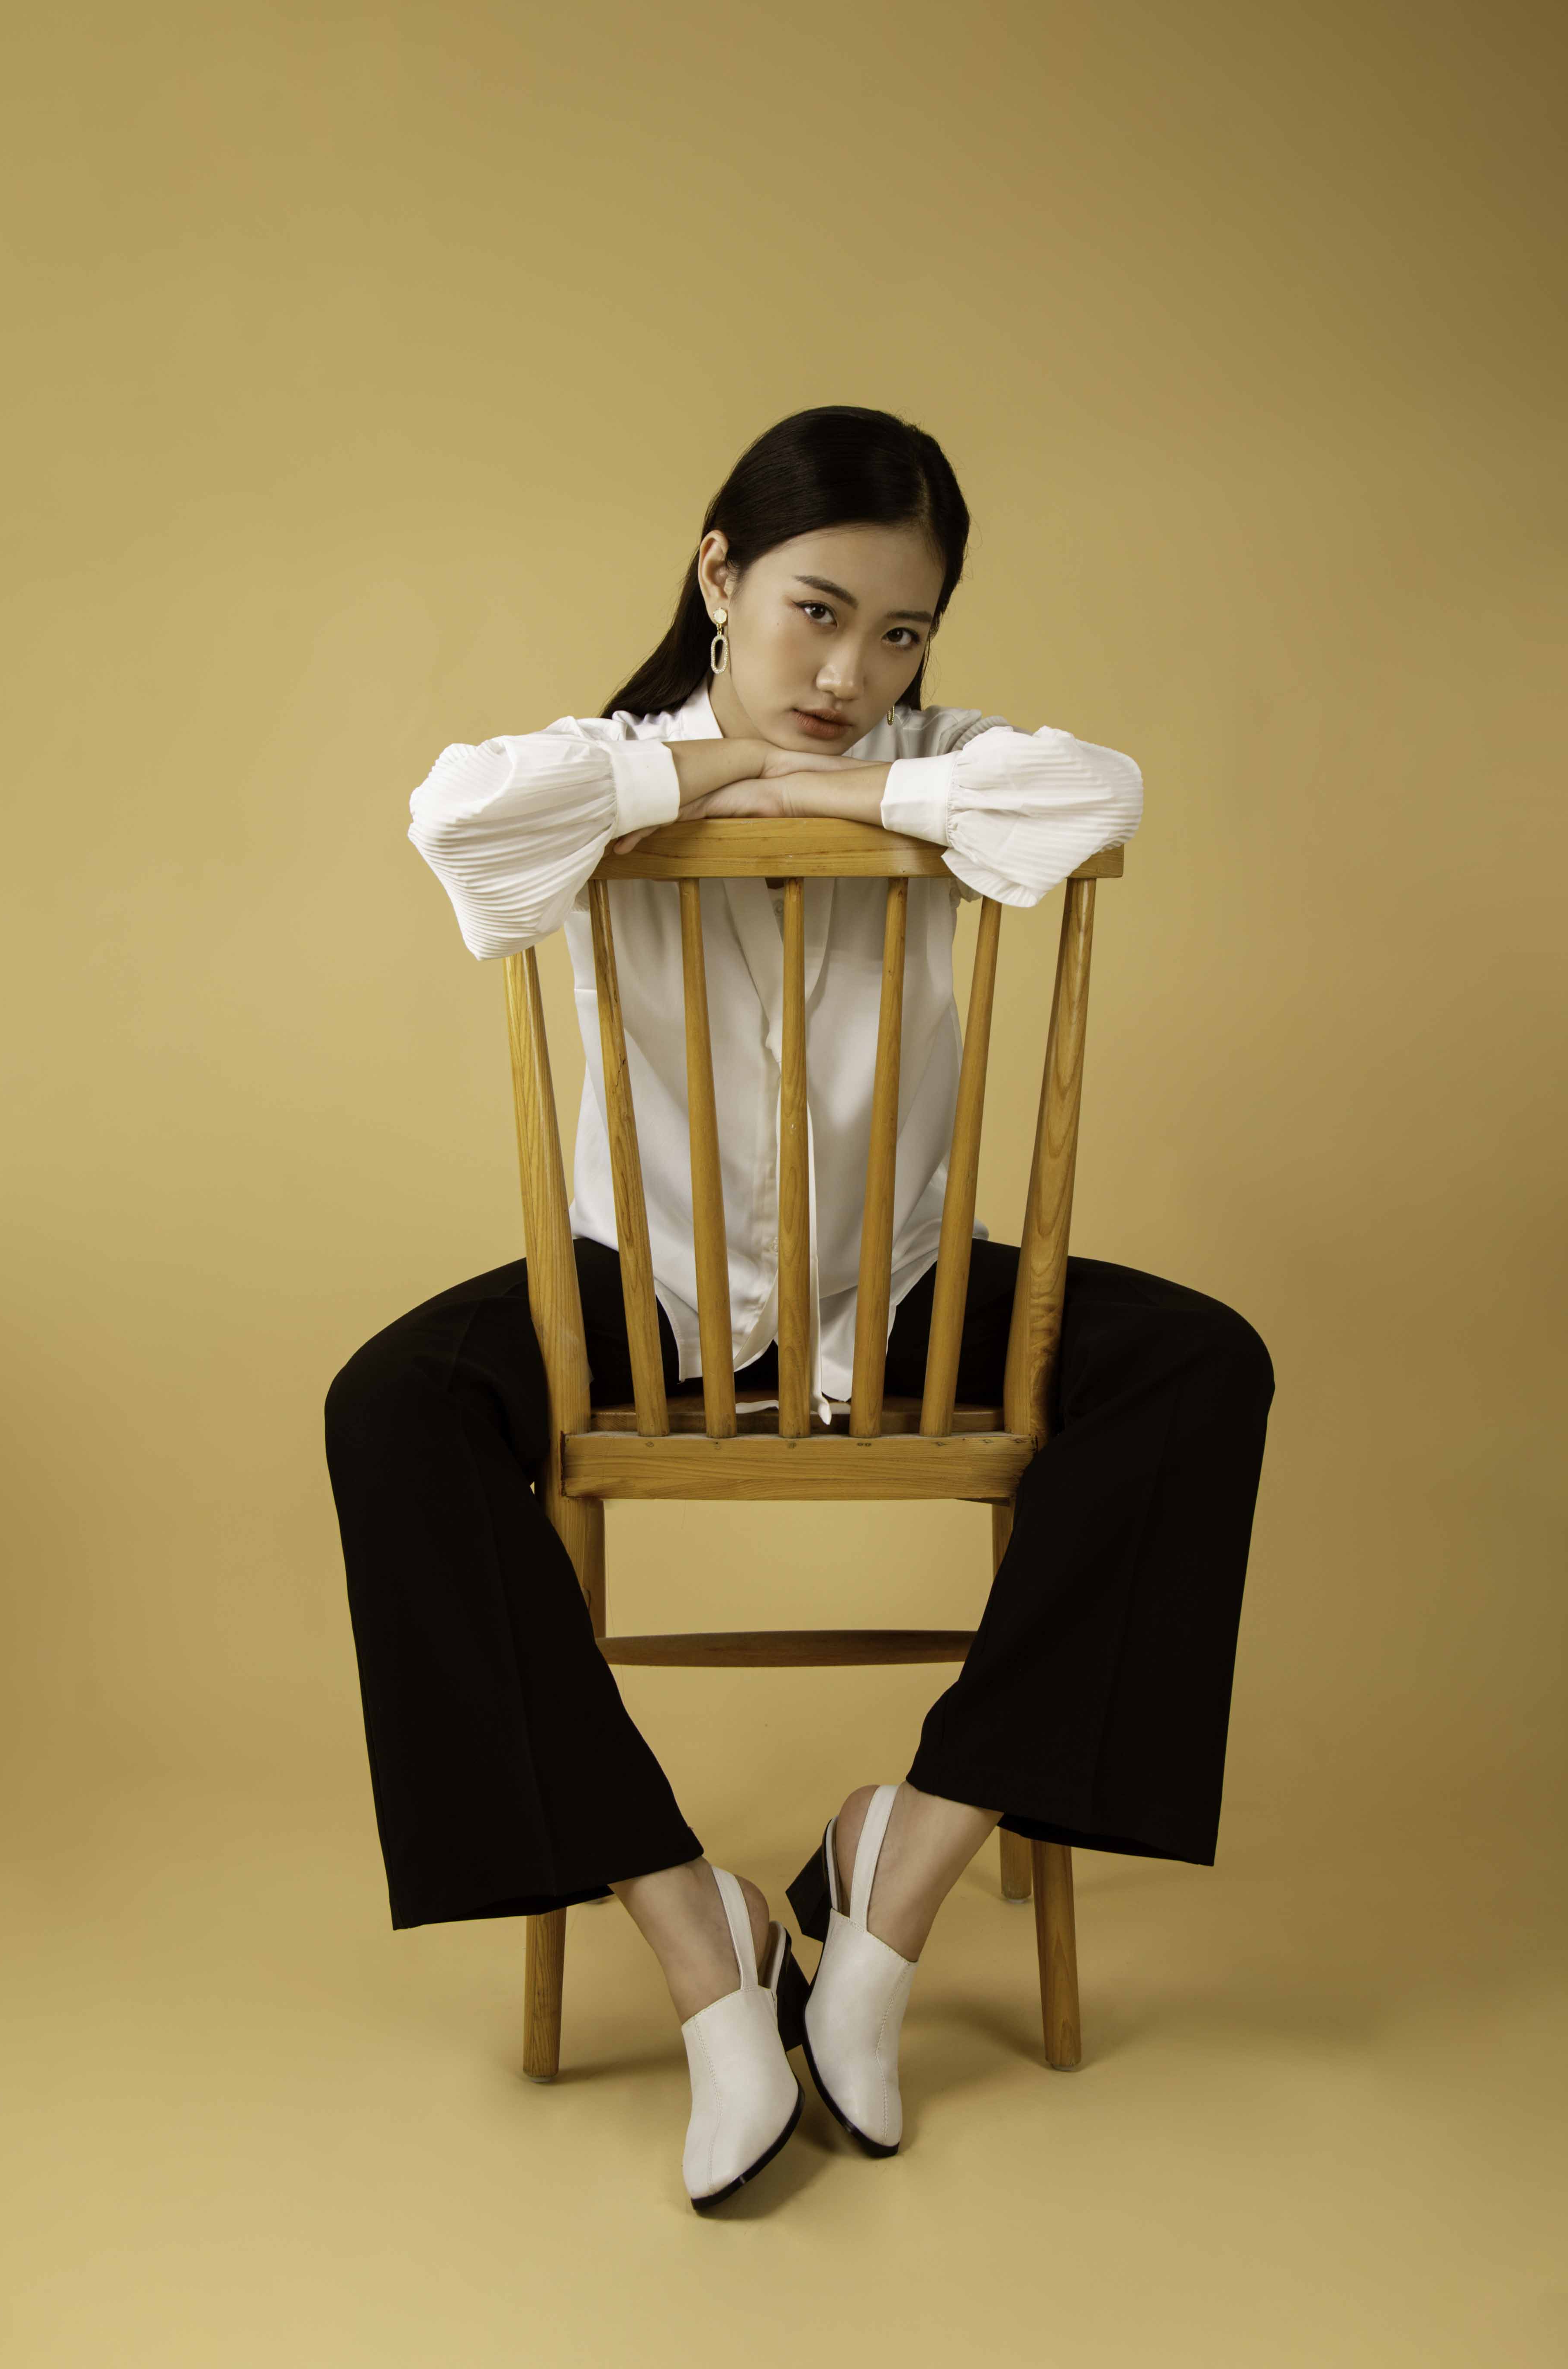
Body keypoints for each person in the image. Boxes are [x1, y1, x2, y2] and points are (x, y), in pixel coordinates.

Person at [323, 403, 1275, 2212]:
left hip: (893, 1290)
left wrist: (842, 795)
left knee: (1201, 1368)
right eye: (815, 614)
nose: (850, 675)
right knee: (392, 1410)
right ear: (720, 575)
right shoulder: (618, 757)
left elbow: (1102, 798)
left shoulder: (945, 758)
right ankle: (695, 1927)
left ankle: (900, 1876)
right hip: (643, 1293)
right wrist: (710, 776)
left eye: (900, 633)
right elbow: (460, 818)